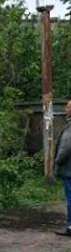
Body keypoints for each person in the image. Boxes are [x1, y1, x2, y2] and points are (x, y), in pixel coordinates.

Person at [54, 100, 71, 236]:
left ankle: (70, 226)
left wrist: (57, 161)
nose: (65, 109)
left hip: (69, 169)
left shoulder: (70, 127)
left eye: (68, 107)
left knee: (70, 198)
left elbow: (66, 147)